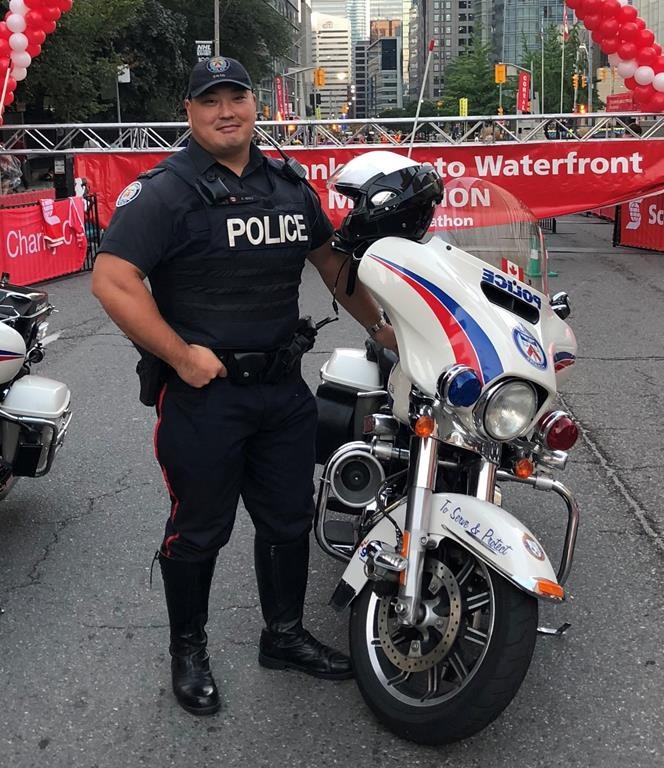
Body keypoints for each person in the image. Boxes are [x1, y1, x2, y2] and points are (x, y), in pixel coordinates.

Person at [91, 55, 397, 716]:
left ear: (256, 106)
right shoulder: (165, 192)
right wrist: (182, 355)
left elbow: (331, 264)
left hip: (284, 393)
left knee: (289, 519)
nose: (226, 111)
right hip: (204, 396)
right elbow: (113, 281)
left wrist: (385, 327)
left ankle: (282, 636)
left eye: (237, 98)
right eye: (210, 101)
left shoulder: (289, 185)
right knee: (199, 529)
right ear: (190, 111)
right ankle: (189, 651)